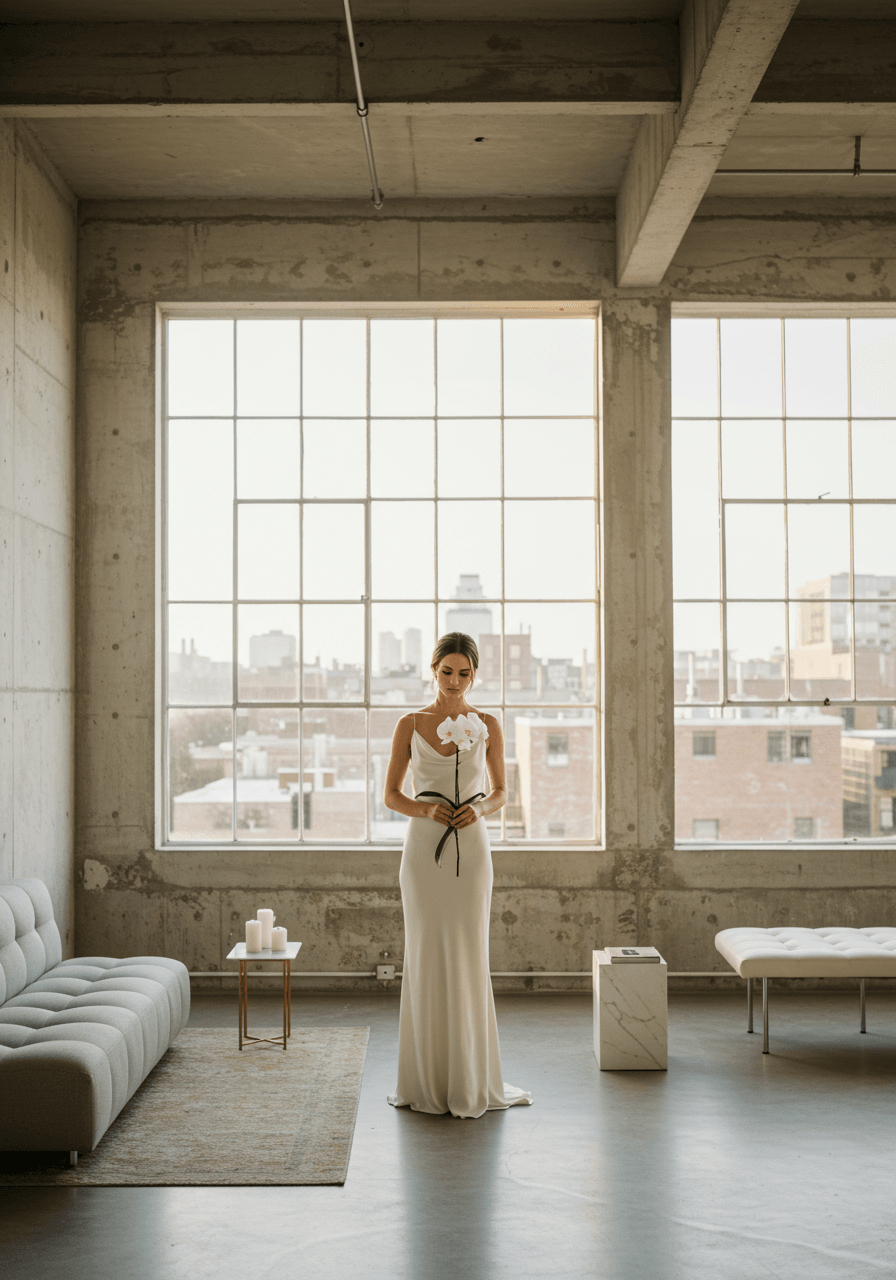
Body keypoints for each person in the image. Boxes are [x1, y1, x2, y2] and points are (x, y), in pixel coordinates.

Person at [383, 631, 533, 1118]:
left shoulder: (487, 723)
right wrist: (426, 814)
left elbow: (503, 791)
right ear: (432, 669)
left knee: (469, 951)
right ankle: (427, 1078)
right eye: (446, 671)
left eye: (463, 673)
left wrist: (481, 811)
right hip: (424, 848)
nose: (453, 681)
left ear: (474, 675)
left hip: (471, 844)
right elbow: (391, 796)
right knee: (425, 951)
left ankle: (469, 1077)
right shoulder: (410, 723)